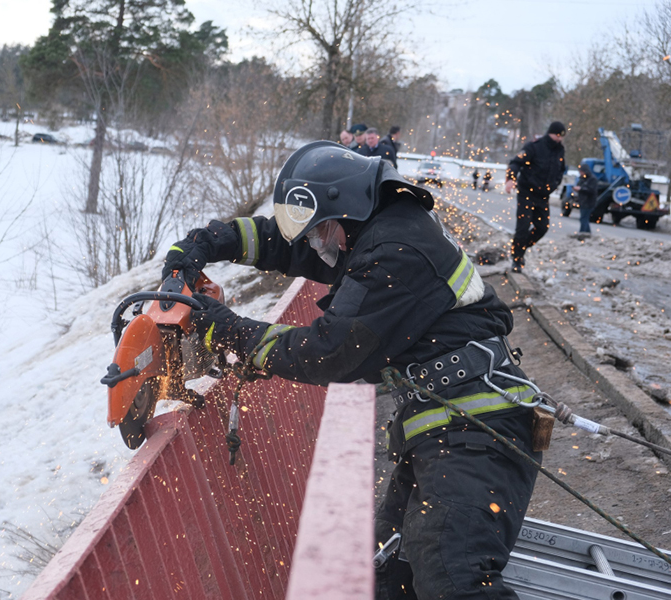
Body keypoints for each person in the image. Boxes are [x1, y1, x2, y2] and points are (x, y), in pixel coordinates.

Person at [162, 141, 542, 600]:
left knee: (451, 577)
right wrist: (208, 242)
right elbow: (284, 243)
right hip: (449, 427)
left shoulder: (393, 252)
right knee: (386, 572)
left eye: (320, 230)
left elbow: (328, 353)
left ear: (344, 210)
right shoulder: (377, 226)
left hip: (480, 432)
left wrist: (228, 331)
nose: (315, 243)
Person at [505, 121, 567, 273]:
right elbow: (515, 163)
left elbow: (561, 170)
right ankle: (517, 259)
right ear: (551, 133)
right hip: (527, 192)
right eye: (558, 135)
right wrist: (511, 179)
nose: (560, 139)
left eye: (562, 136)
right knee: (523, 226)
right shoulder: (534, 147)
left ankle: (519, 247)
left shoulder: (560, 150)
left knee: (542, 227)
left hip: (543, 196)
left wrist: (555, 184)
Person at [573, 163, 598, 239]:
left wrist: (581, 189)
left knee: (583, 218)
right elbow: (580, 186)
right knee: (584, 218)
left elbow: (592, 190)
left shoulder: (592, 179)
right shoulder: (582, 179)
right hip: (582, 201)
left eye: (582, 172)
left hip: (589, 202)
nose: (581, 173)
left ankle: (582, 234)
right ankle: (587, 234)